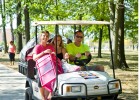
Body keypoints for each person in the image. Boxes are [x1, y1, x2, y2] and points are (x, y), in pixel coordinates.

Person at [32, 30, 55, 100]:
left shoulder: (50, 46)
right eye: (44, 36)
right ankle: (42, 97)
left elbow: (54, 56)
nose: (45, 37)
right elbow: (34, 58)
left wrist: (53, 54)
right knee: (41, 77)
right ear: (40, 37)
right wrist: (44, 52)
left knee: (56, 75)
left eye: (47, 36)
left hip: (50, 67)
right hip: (41, 68)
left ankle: (49, 96)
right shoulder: (37, 47)